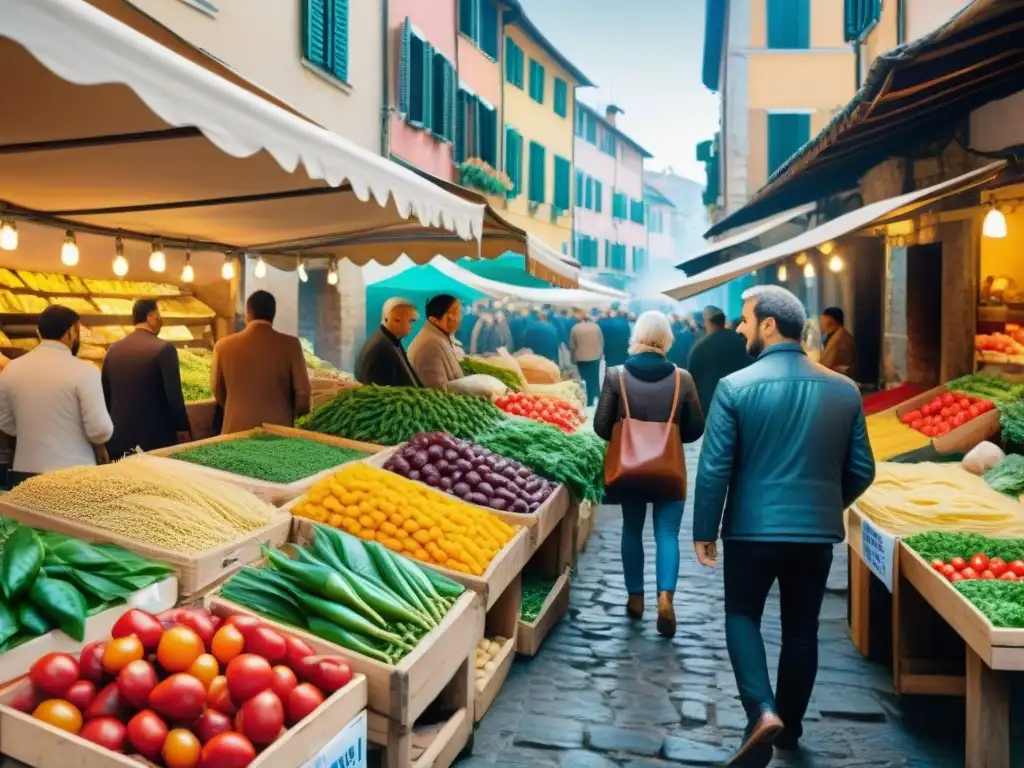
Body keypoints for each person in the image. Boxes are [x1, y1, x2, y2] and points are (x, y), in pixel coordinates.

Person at [691, 285, 875, 767]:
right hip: (814, 535)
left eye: (745, 319)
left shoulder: (735, 387)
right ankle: (788, 729)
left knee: (741, 616)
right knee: (801, 629)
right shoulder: (844, 389)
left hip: (751, 530)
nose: (738, 327)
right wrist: (826, 505)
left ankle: (762, 712)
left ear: (769, 324)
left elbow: (714, 469)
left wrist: (704, 529)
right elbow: (862, 469)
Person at [593, 311, 705, 639]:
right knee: (667, 533)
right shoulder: (683, 379)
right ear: (667, 339)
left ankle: (635, 598)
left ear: (637, 337)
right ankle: (665, 597)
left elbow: (601, 426)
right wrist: (668, 432)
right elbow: (696, 428)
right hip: (669, 470)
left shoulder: (616, 375)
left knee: (632, 530)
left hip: (630, 469)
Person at [0, 305, 113, 477]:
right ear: (70, 333)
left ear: (39, 332)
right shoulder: (85, 371)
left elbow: (5, 421)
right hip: (73, 473)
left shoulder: (12, 369)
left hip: (25, 472)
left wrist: (35, 432)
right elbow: (99, 430)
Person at [101, 298, 191, 459]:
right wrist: (183, 430)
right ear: (151, 316)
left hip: (119, 438)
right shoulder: (165, 349)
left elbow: (106, 395)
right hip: (155, 440)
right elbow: (174, 396)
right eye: (159, 313)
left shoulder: (113, 350)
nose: (160, 319)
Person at [211, 290, 310, 434]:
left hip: (235, 430)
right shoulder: (291, 345)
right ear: (273, 314)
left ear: (248, 313)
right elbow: (303, 393)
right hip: (278, 432)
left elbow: (218, 389)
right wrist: (295, 415)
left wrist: (236, 406)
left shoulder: (223, 347)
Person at [687, 306, 752, 417]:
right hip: (742, 408)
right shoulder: (743, 343)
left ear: (706, 322)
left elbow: (692, 384)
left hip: (710, 410)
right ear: (723, 320)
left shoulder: (699, 349)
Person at [355, 297, 421, 387]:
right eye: (410, 321)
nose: (411, 326)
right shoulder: (382, 347)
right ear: (394, 320)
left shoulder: (389, 339)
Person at [408, 294, 465, 389]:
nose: (457, 318)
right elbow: (437, 390)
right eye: (452, 313)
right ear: (434, 320)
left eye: (458, 312)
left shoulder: (440, 337)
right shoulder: (429, 346)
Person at [570, 309, 603, 406]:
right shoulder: (596, 327)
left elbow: (572, 345)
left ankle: (590, 400)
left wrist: (573, 358)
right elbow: (601, 341)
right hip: (595, 356)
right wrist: (600, 353)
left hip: (581, 358)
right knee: (595, 378)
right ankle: (597, 395)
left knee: (586, 379)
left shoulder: (575, 328)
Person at [819, 306, 857, 380]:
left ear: (831, 321)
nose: (821, 323)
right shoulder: (836, 335)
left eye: (823, 320)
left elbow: (826, 365)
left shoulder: (840, 339)